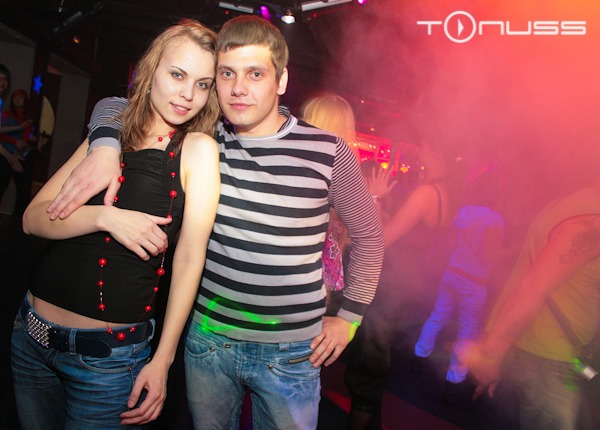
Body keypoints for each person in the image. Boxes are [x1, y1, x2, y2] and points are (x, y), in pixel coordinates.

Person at [45, 15, 385, 430]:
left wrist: (349, 317)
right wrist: (103, 144)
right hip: (209, 343)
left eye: (255, 74)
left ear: (280, 80)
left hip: (291, 352)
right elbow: (117, 104)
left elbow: (369, 236)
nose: (238, 88)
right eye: (227, 74)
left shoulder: (327, 150)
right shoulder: (206, 140)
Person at [10, 19, 220, 429]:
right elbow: (33, 219)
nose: (188, 94)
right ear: (151, 70)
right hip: (30, 336)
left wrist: (163, 359)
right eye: (177, 75)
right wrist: (105, 217)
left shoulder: (197, 149)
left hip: (106, 363)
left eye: (202, 84)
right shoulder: (109, 136)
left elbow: (190, 258)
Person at [463, 175, 600, 430]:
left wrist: (493, 343)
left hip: (550, 357)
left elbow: (520, 277)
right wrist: (491, 354)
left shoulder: (565, 205)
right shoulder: (591, 223)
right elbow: (530, 287)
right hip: (553, 364)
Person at [344, 141, 465, 429]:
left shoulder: (426, 192)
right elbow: (403, 231)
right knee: (371, 361)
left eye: (425, 144)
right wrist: (382, 203)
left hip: (389, 287)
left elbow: (381, 241)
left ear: (436, 151)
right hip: (404, 283)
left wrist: (373, 197)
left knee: (369, 364)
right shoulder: (442, 191)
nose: (419, 148)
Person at [413, 172, 504, 408]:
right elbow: (489, 255)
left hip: (453, 272)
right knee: (468, 331)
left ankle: (420, 355)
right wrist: (511, 251)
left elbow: (451, 242)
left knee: (438, 315)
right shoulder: (494, 219)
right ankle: (454, 383)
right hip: (475, 280)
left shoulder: (463, 212)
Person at [300, 92, 358, 315]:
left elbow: (362, 237)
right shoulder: (338, 171)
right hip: (316, 285)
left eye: (307, 116)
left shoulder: (328, 172)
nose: (300, 120)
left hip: (313, 285)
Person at [0, 89, 36, 215]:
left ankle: (19, 220)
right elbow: (2, 134)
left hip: (21, 155)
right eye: (15, 97)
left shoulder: (28, 118)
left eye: (20, 97)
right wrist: (15, 142)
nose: (17, 100)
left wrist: (29, 140)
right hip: (5, 153)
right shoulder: (6, 114)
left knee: (23, 191)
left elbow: (27, 136)